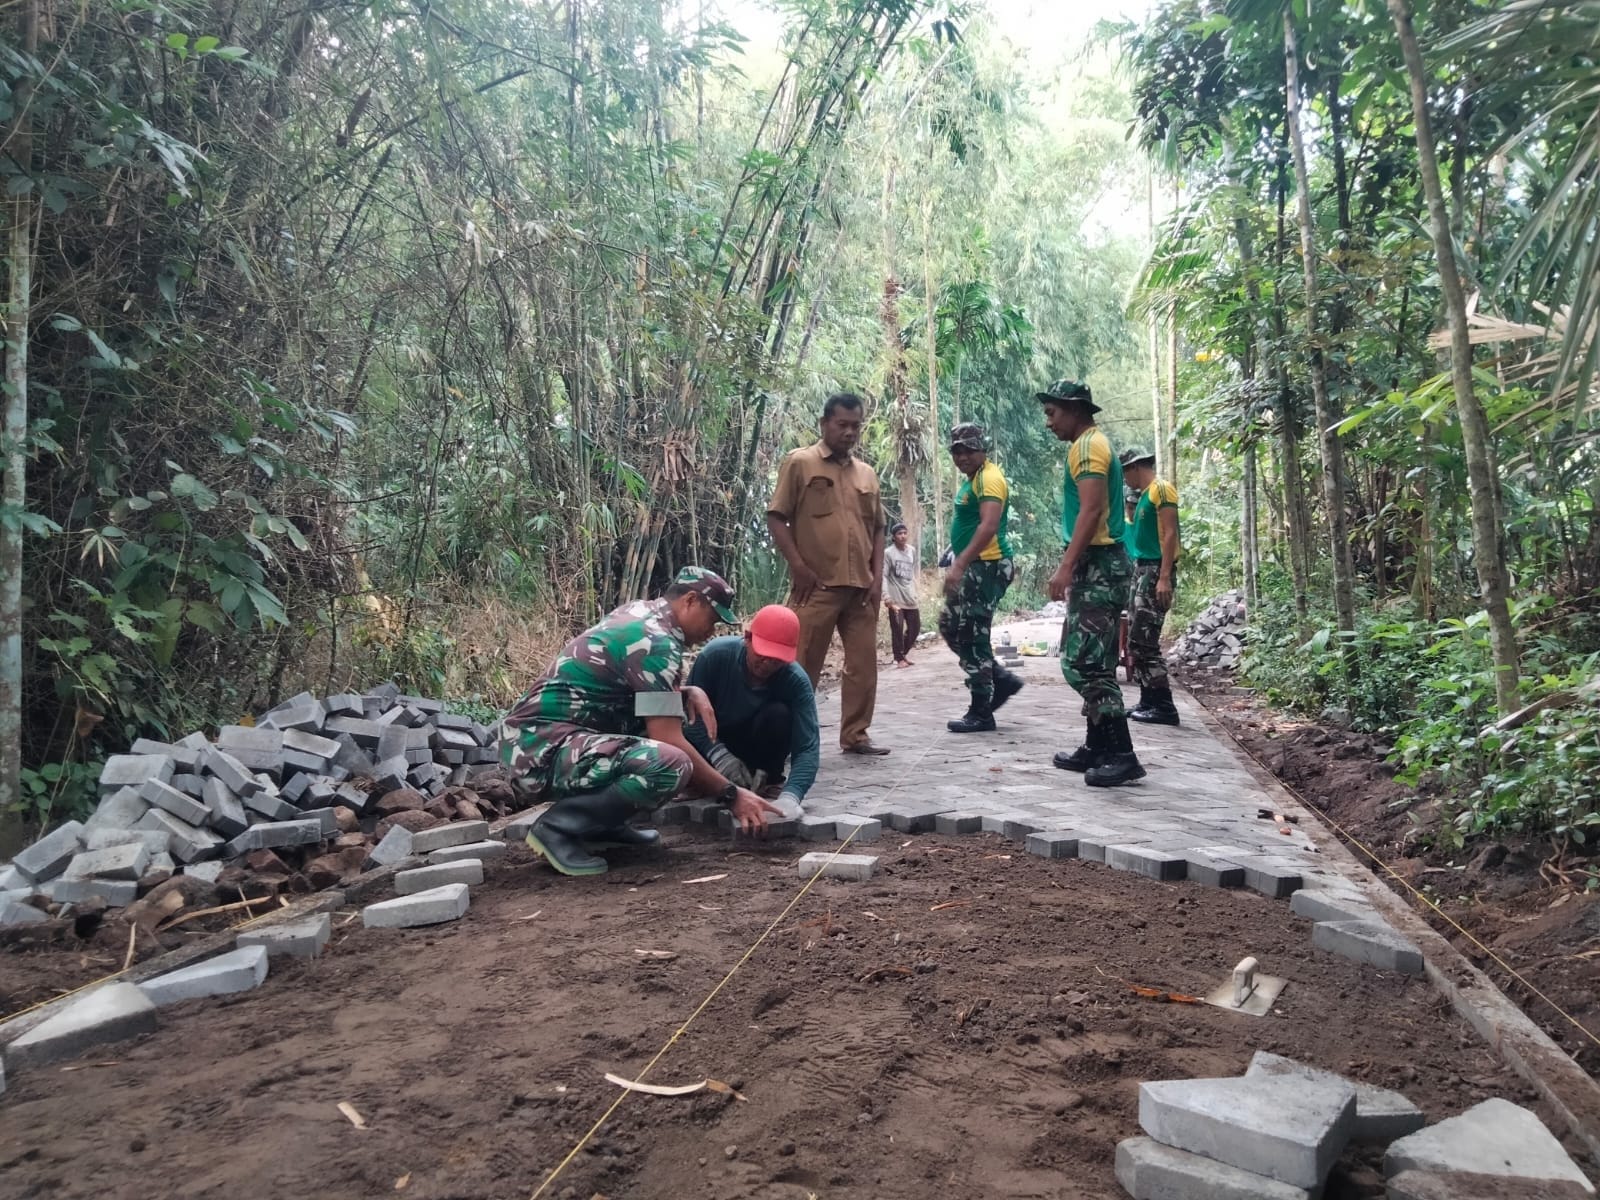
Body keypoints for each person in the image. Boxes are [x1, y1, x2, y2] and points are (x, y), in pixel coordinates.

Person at [502, 567, 781, 876]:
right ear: (690, 601)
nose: (711, 631)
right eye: (712, 619)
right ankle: (558, 827)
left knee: (668, 722)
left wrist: (688, 692)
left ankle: (600, 825)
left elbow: (628, 688)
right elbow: (669, 740)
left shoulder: (642, 615)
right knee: (671, 763)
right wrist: (732, 795)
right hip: (540, 750)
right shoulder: (657, 642)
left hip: (542, 738)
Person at [766, 392, 891, 756]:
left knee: (864, 667)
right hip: (816, 587)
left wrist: (877, 577)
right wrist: (798, 567)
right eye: (842, 425)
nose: (850, 432)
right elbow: (777, 516)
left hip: (861, 590)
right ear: (824, 424)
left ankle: (856, 735)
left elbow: (879, 528)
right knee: (801, 667)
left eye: (856, 426)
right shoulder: (800, 463)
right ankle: (789, 740)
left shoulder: (866, 474)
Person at [1038, 380, 1145, 786]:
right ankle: (1097, 745)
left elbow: (1092, 508)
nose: (1048, 423)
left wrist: (1066, 567)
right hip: (1098, 562)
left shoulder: (1087, 448)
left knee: (1083, 664)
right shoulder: (1089, 445)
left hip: (1099, 563)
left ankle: (1121, 753)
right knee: (1095, 659)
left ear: (1075, 409)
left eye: (1052, 413)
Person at [684, 604, 820, 819]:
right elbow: (689, 721)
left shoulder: (796, 680)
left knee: (779, 714)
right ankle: (705, 780)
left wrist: (792, 795)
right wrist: (720, 757)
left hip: (757, 744)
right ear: (747, 639)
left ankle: (766, 780)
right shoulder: (715, 656)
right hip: (712, 741)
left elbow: (807, 747)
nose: (767, 664)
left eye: (777, 660)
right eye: (762, 654)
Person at [938, 422, 1024, 733]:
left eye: (968, 449)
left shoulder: (990, 478)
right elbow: (970, 523)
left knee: (973, 635)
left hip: (986, 566)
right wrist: (954, 553)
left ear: (982, 449)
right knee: (951, 626)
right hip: (974, 565)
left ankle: (981, 709)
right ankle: (999, 679)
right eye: (956, 451)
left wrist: (960, 564)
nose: (962, 456)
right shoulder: (973, 479)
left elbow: (988, 526)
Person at [1119, 446, 1182, 725]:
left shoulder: (1162, 489)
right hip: (1142, 569)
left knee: (1146, 640)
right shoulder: (1144, 496)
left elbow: (1170, 533)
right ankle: (1148, 700)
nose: (1125, 480)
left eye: (1125, 472)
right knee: (1135, 639)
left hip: (1156, 569)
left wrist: (1164, 576)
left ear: (1135, 467)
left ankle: (1164, 706)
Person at [883, 522, 920, 667]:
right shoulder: (888, 553)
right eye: (899, 533)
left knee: (915, 628)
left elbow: (912, 572)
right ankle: (899, 659)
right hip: (895, 598)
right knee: (897, 629)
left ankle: (901, 654)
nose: (903, 536)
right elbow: (883, 576)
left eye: (905, 533)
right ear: (893, 537)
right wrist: (887, 598)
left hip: (910, 597)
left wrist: (916, 591)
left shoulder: (912, 550)